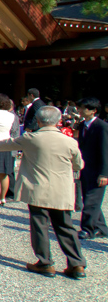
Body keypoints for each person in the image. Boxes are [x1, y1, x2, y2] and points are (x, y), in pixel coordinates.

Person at [0, 105, 86, 279]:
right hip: (62, 191)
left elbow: (4, 146)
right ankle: (77, 264)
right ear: (59, 121)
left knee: (40, 226)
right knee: (66, 227)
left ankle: (45, 262)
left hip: (38, 189)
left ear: (38, 121)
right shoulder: (70, 141)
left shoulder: (31, 138)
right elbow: (79, 165)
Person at [75, 97, 108, 240]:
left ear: (94, 111)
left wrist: (104, 173)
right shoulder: (82, 125)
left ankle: (87, 229)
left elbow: (105, 151)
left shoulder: (102, 126)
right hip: (86, 168)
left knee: (91, 200)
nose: (80, 110)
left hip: (98, 169)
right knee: (90, 198)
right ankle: (101, 227)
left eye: (84, 108)